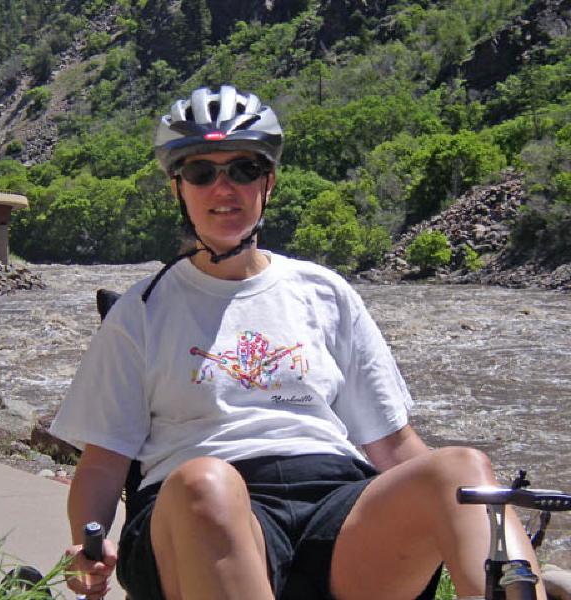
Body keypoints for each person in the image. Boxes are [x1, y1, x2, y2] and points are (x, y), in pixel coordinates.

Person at [49, 85, 546, 600]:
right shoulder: (140, 313)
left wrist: (462, 510)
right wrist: (88, 544)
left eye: (243, 169)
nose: (224, 188)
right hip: (197, 513)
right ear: (178, 188)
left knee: (462, 470)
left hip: (336, 510)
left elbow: (394, 445)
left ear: (269, 182)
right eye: (202, 172)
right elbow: (103, 463)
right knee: (207, 484)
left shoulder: (325, 291)